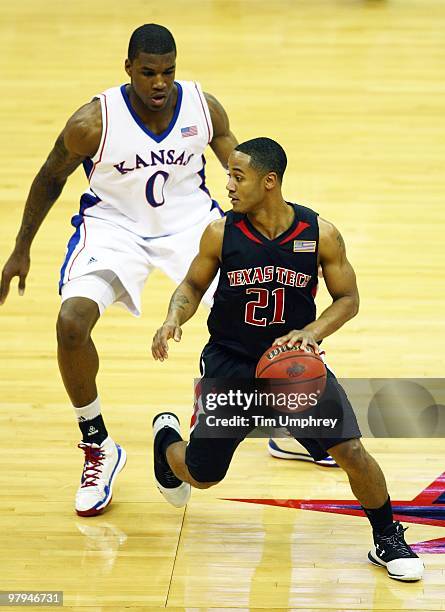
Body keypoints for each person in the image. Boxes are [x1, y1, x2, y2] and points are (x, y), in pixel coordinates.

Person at [151, 137, 424, 582]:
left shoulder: (320, 234)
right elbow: (192, 287)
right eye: (229, 177)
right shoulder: (221, 232)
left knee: (351, 450)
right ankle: (166, 444)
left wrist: (309, 334)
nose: (229, 187)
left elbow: (348, 299)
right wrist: (172, 317)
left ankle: (387, 535)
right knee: (201, 476)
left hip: (292, 367)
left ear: (269, 181)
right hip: (231, 363)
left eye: (238, 177)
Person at [0, 24, 239, 517]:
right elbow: (49, 178)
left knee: (260, 308)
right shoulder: (93, 122)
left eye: (168, 72)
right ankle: (98, 446)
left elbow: (240, 167)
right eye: (149, 72)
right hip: (115, 229)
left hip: (189, 224)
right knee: (70, 326)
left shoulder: (201, 106)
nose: (159, 83)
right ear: (128, 68)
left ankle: (292, 426)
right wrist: (21, 248)